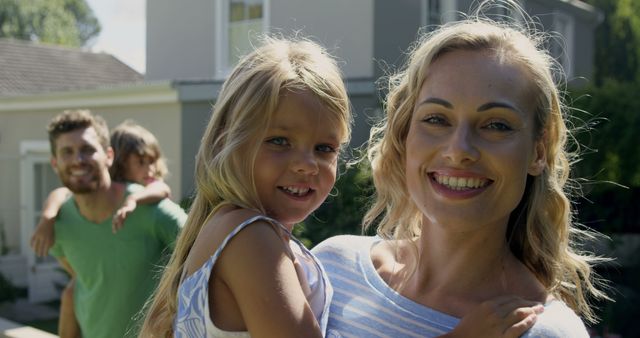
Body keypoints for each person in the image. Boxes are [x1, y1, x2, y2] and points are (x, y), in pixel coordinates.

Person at [138, 36, 545, 338]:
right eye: (279, 140)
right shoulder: (251, 239)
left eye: (324, 148)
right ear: (230, 138)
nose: (306, 165)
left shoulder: (237, 230)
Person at [312, 4, 609, 338]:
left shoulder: (543, 331)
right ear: (405, 134)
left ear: (538, 152)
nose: (459, 150)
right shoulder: (330, 270)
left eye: (496, 125)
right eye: (436, 119)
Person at [46, 110, 186, 338]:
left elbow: (208, 256)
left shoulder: (150, 209)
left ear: (109, 156)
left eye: (87, 149)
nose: (78, 160)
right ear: (55, 163)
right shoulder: (59, 222)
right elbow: (82, 279)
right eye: (67, 152)